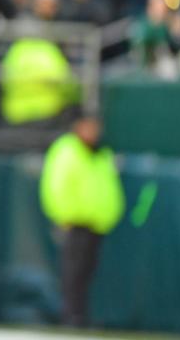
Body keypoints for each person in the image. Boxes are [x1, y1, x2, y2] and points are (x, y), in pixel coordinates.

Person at [40, 113, 124, 328]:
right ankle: (71, 316)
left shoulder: (102, 154)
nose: (93, 132)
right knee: (73, 272)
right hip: (74, 222)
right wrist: (63, 215)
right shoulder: (67, 150)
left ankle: (81, 315)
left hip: (97, 223)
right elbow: (56, 185)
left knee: (88, 272)